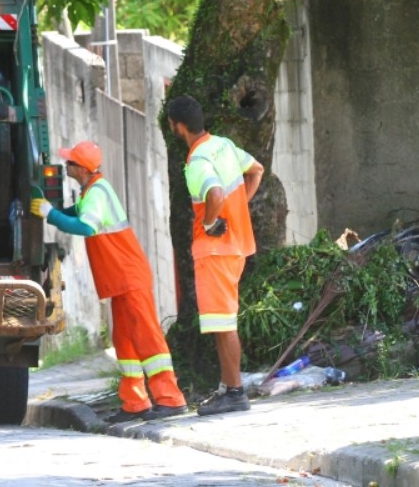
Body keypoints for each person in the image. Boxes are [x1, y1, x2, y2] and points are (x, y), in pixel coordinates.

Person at [31, 141, 188, 423]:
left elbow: (86, 226)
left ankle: (171, 399)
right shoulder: (93, 190)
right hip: (121, 279)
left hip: (128, 277)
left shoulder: (97, 194)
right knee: (125, 342)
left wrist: (50, 214)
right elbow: (76, 213)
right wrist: (53, 212)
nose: (66, 167)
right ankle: (135, 403)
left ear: (82, 169)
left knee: (147, 338)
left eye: (70, 163)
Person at [166, 95, 264, 416]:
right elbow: (256, 171)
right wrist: (238, 212)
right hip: (235, 246)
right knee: (223, 323)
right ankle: (228, 388)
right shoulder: (223, 145)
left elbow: (216, 194)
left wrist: (210, 221)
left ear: (178, 127)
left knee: (224, 324)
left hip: (215, 251)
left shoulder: (196, 162)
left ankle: (235, 391)